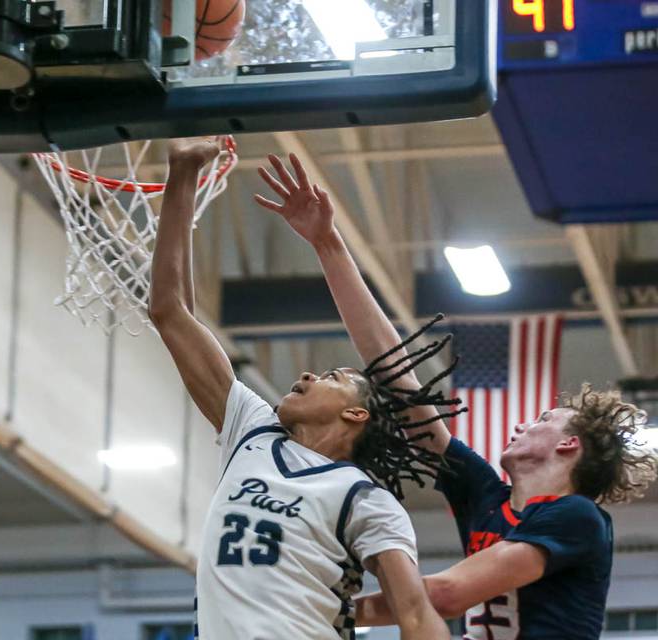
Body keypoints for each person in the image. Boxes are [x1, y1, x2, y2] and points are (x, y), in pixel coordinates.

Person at [254, 152, 658, 640]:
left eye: (545, 419)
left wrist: (322, 608)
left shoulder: (576, 517)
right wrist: (328, 244)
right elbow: (396, 375)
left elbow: (446, 596)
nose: (525, 422)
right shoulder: (486, 494)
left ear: (570, 444)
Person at [148, 138, 451, 640]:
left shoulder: (364, 498)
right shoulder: (253, 431)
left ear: (357, 415)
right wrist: (182, 175)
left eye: (332, 378)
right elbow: (168, 311)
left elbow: (415, 614)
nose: (308, 376)